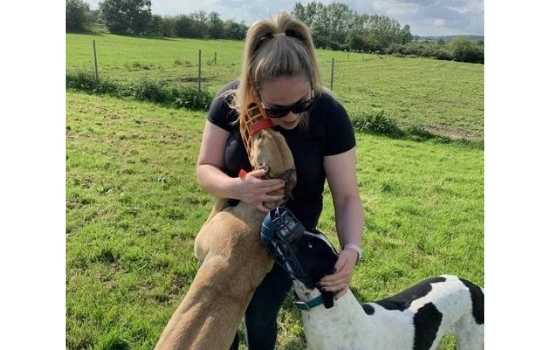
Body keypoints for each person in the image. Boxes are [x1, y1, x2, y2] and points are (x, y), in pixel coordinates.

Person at [195, 11, 364, 350]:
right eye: (276, 109)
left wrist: (352, 249)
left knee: (260, 313)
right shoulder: (229, 103)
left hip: (288, 239)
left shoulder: (330, 114)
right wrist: (238, 188)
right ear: (254, 90)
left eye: (302, 103)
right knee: (219, 313)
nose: (290, 116)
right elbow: (205, 169)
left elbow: (346, 196)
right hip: (228, 232)